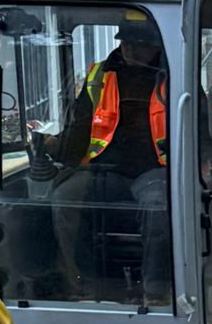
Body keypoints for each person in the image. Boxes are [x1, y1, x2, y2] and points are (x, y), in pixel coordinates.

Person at [52, 16, 172, 304]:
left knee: (158, 207)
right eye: (127, 43)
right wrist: (60, 151)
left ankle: (156, 291)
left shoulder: (174, 75)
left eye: (141, 44)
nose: (131, 50)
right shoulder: (101, 75)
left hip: (156, 170)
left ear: (156, 46)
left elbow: (199, 122)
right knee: (63, 198)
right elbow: (81, 125)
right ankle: (82, 282)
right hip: (105, 170)